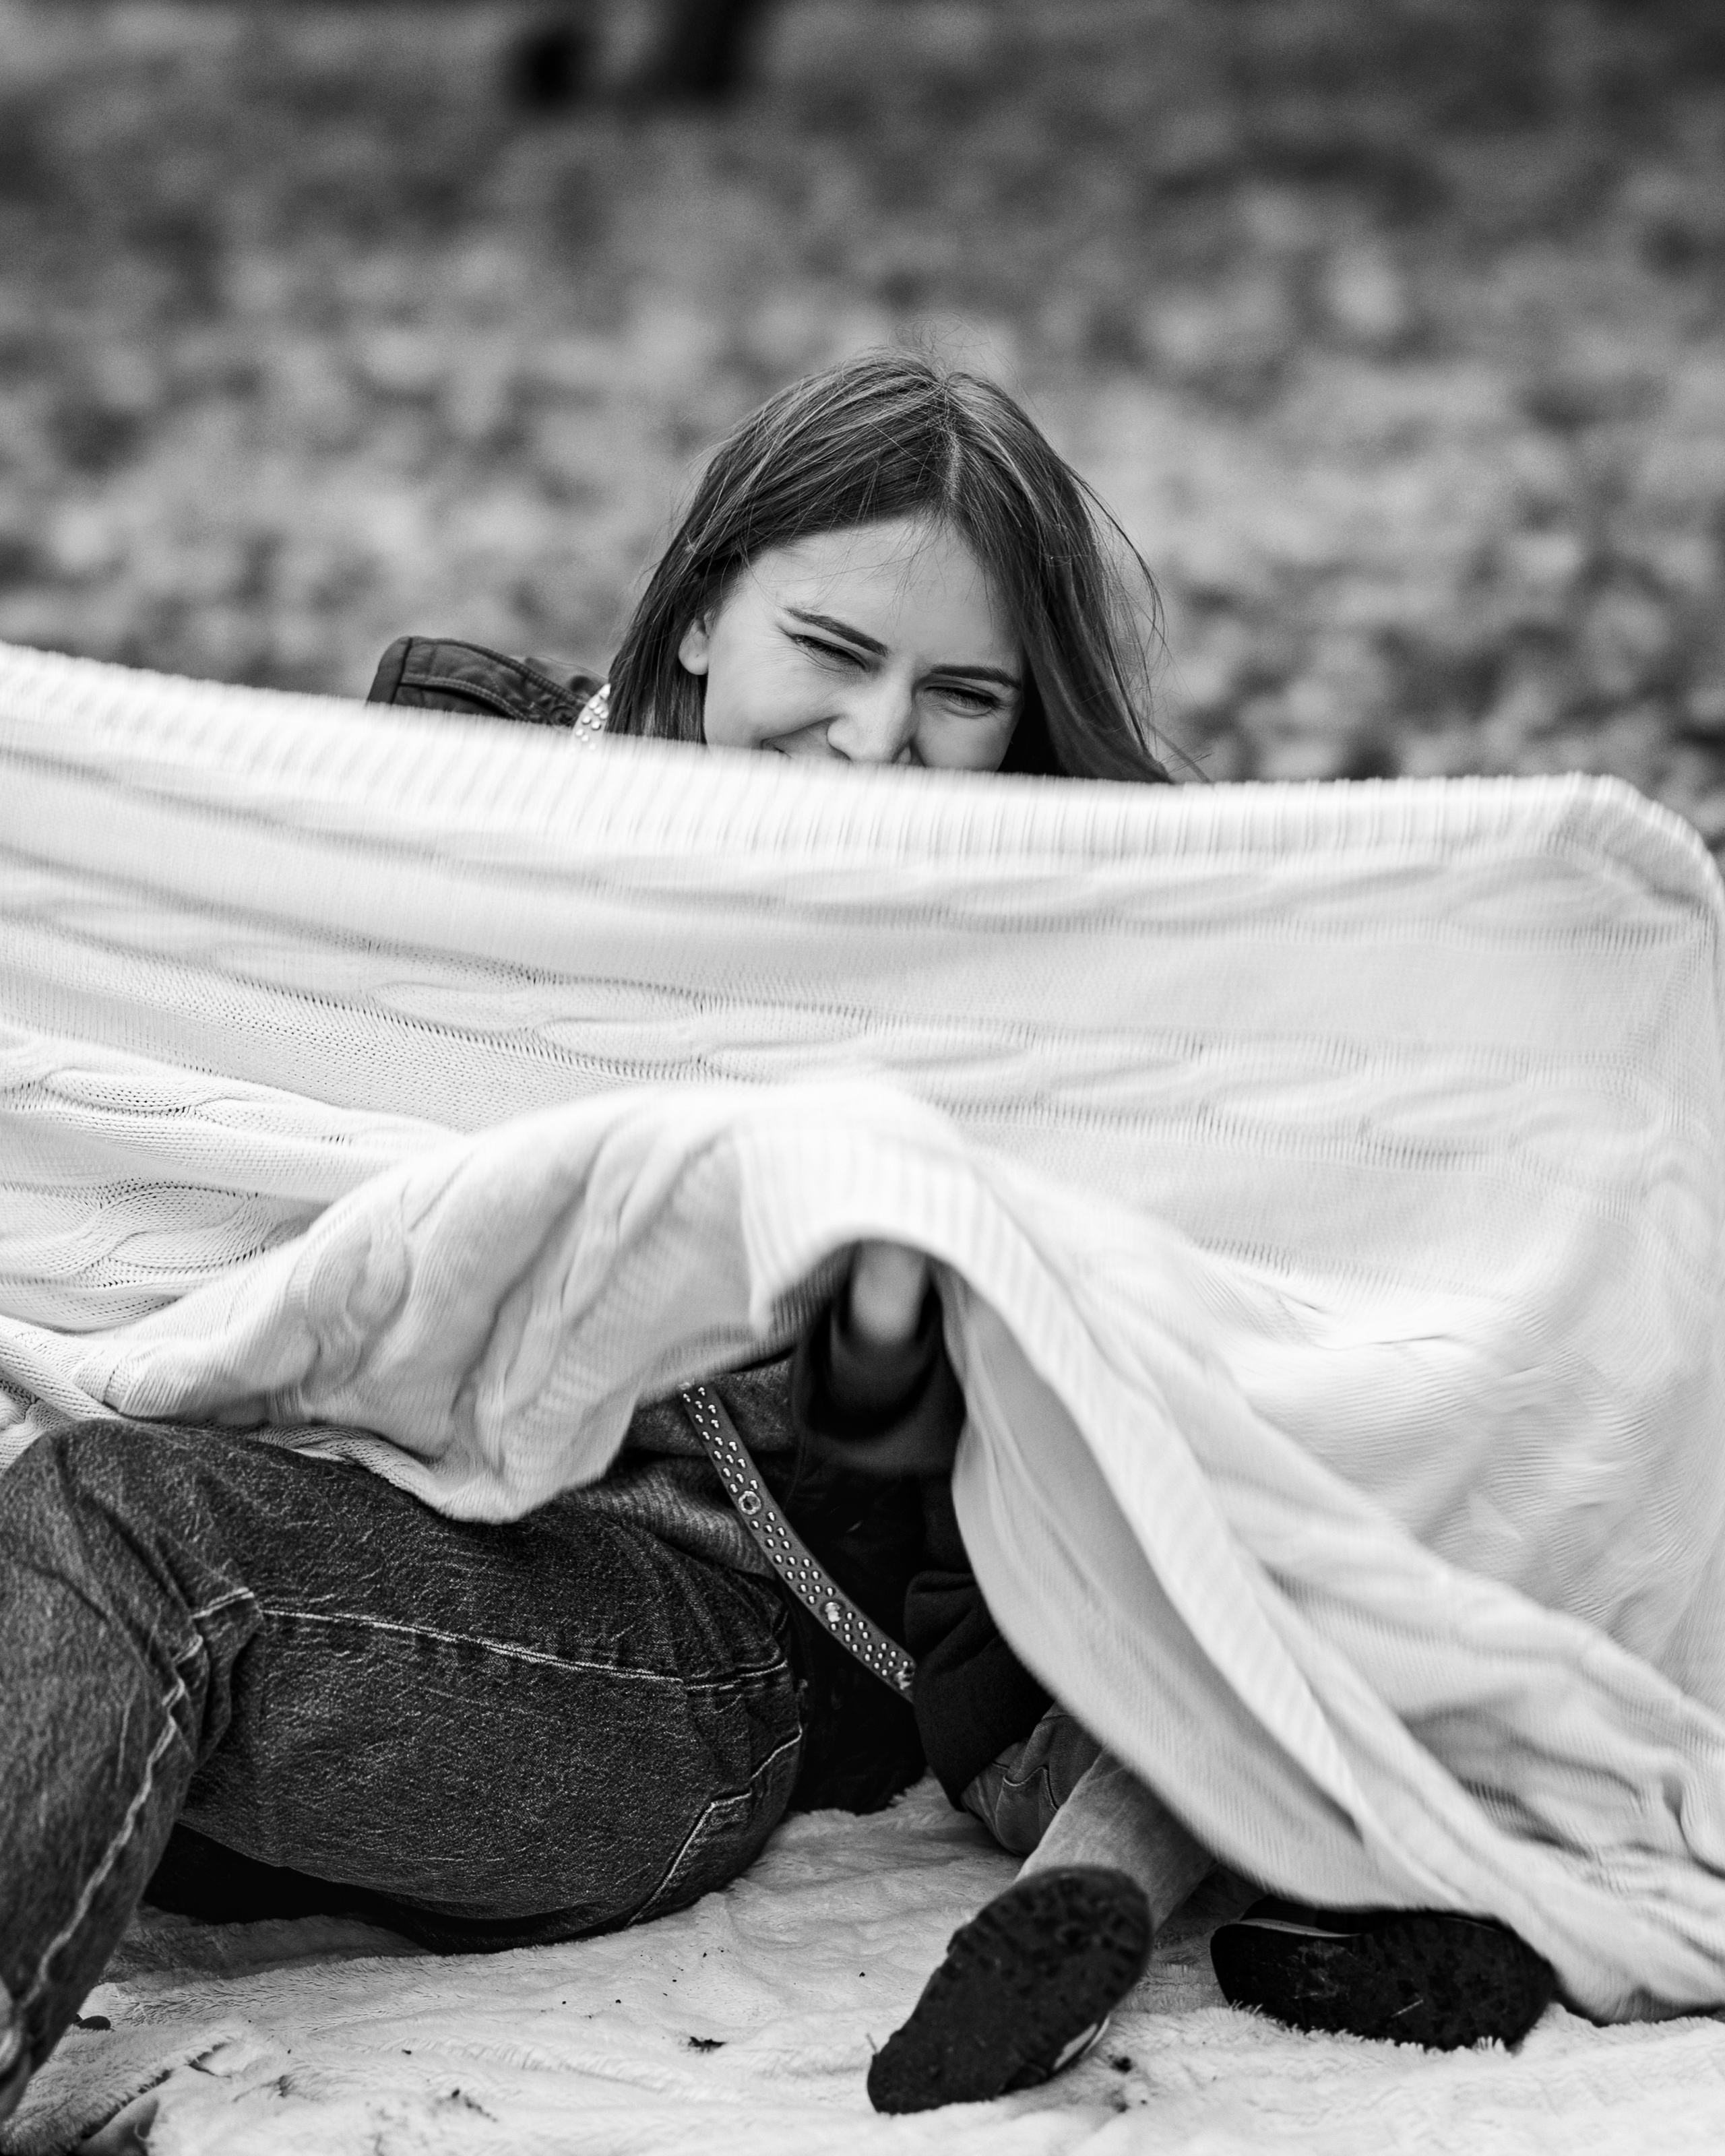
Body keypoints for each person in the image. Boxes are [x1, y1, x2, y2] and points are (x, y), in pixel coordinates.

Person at [0, 354, 1540, 2136]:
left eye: (962, 695)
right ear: (706, 605)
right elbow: (192, 1110)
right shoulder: (441, 811)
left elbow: (980, 1501)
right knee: (80, 1485)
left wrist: (858, 1251)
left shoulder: (1026, 1004)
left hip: (677, 1658)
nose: (882, 741)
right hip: (329, 1500)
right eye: (833, 651)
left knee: (124, 1525)